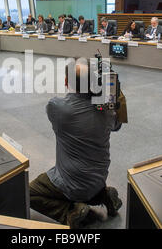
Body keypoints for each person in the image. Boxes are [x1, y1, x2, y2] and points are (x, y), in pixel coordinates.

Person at [29, 61, 124, 228]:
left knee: (28, 192)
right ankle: (103, 196)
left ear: (66, 82)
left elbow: (67, 104)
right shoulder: (107, 110)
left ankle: (69, 212)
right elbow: (117, 125)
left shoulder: (57, 108)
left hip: (70, 182)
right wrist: (108, 93)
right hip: (99, 179)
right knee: (85, 183)